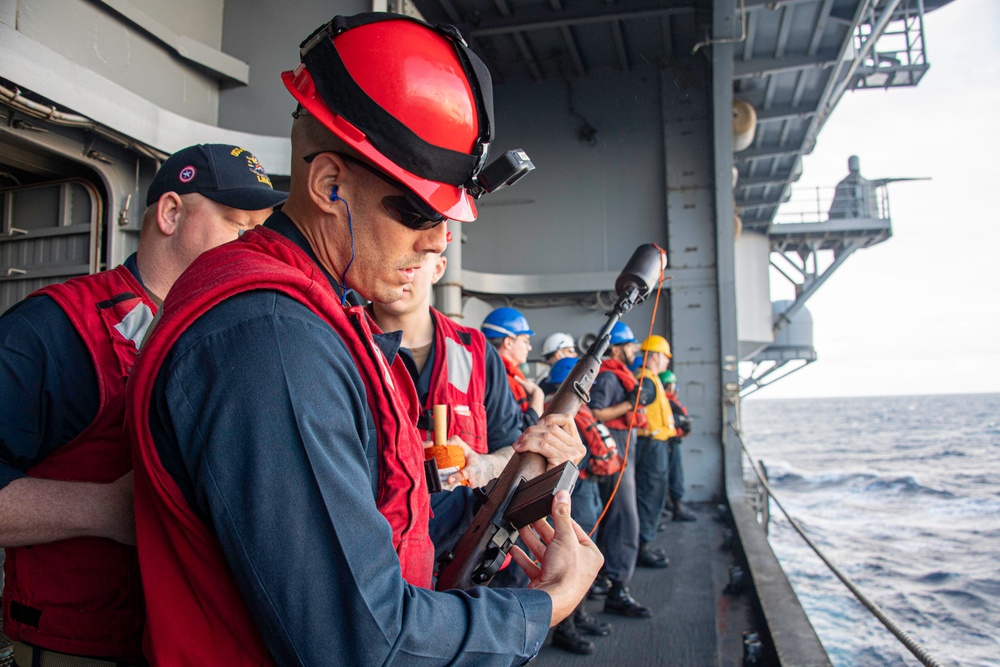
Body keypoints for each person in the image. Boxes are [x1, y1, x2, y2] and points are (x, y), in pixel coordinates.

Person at [124, 13, 602, 665]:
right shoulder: (273, 338)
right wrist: (548, 601)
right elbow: (364, 641)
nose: (439, 241)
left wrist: (505, 482)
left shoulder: (321, 313)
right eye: (418, 211)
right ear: (327, 184)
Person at [0, 144, 285, 666]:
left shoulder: (242, 342)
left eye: (260, 230)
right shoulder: (56, 331)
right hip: (85, 649)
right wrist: (111, 509)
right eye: (237, 224)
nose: (255, 245)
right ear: (172, 213)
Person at [369, 252, 576, 559]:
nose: (401, 268)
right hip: (374, 554)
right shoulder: (339, 344)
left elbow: (513, 450)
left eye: (415, 261)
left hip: (464, 553)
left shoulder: (478, 355)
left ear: (439, 267)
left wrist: (483, 465)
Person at [542, 357, 616, 655]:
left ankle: (577, 613)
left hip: (587, 490)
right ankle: (564, 627)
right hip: (574, 493)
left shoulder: (569, 412)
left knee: (585, 555)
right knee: (571, 559)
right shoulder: (557, 414)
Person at [587, 321, 654, 618]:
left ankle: (605, 579)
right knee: (625, 521)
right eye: (629, 345)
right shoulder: (609, 378)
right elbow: (597, 411)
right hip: (615, 457)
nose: (634, 350)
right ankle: (618, 589)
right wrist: (630, 403)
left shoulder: (619, 375)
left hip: (622, 453)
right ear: (615, 348)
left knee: (612, 520)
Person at [633, 335, 677, 568]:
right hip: (650, 446)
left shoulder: (651, 378)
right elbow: (638, 401)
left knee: (652, 494)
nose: (667, 362)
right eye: (665, 357)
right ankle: (642, 547)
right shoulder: (646, 380)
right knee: (649, 495)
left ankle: (644, 543)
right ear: (656, 356)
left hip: (655, 444)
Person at [481, 306, 545, 429]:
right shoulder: (502, 380)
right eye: (525, 341)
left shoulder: (495, 373)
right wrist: (538, 395)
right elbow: (522, 432)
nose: (529, 348)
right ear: (508, 342)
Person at [661, 370, 697, 522]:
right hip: (669, 443)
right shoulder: (666, 402)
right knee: (674, 476)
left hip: (670, 442)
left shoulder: (666, 401)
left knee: (669, 476)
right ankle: (675, 507)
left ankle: (669, 507)